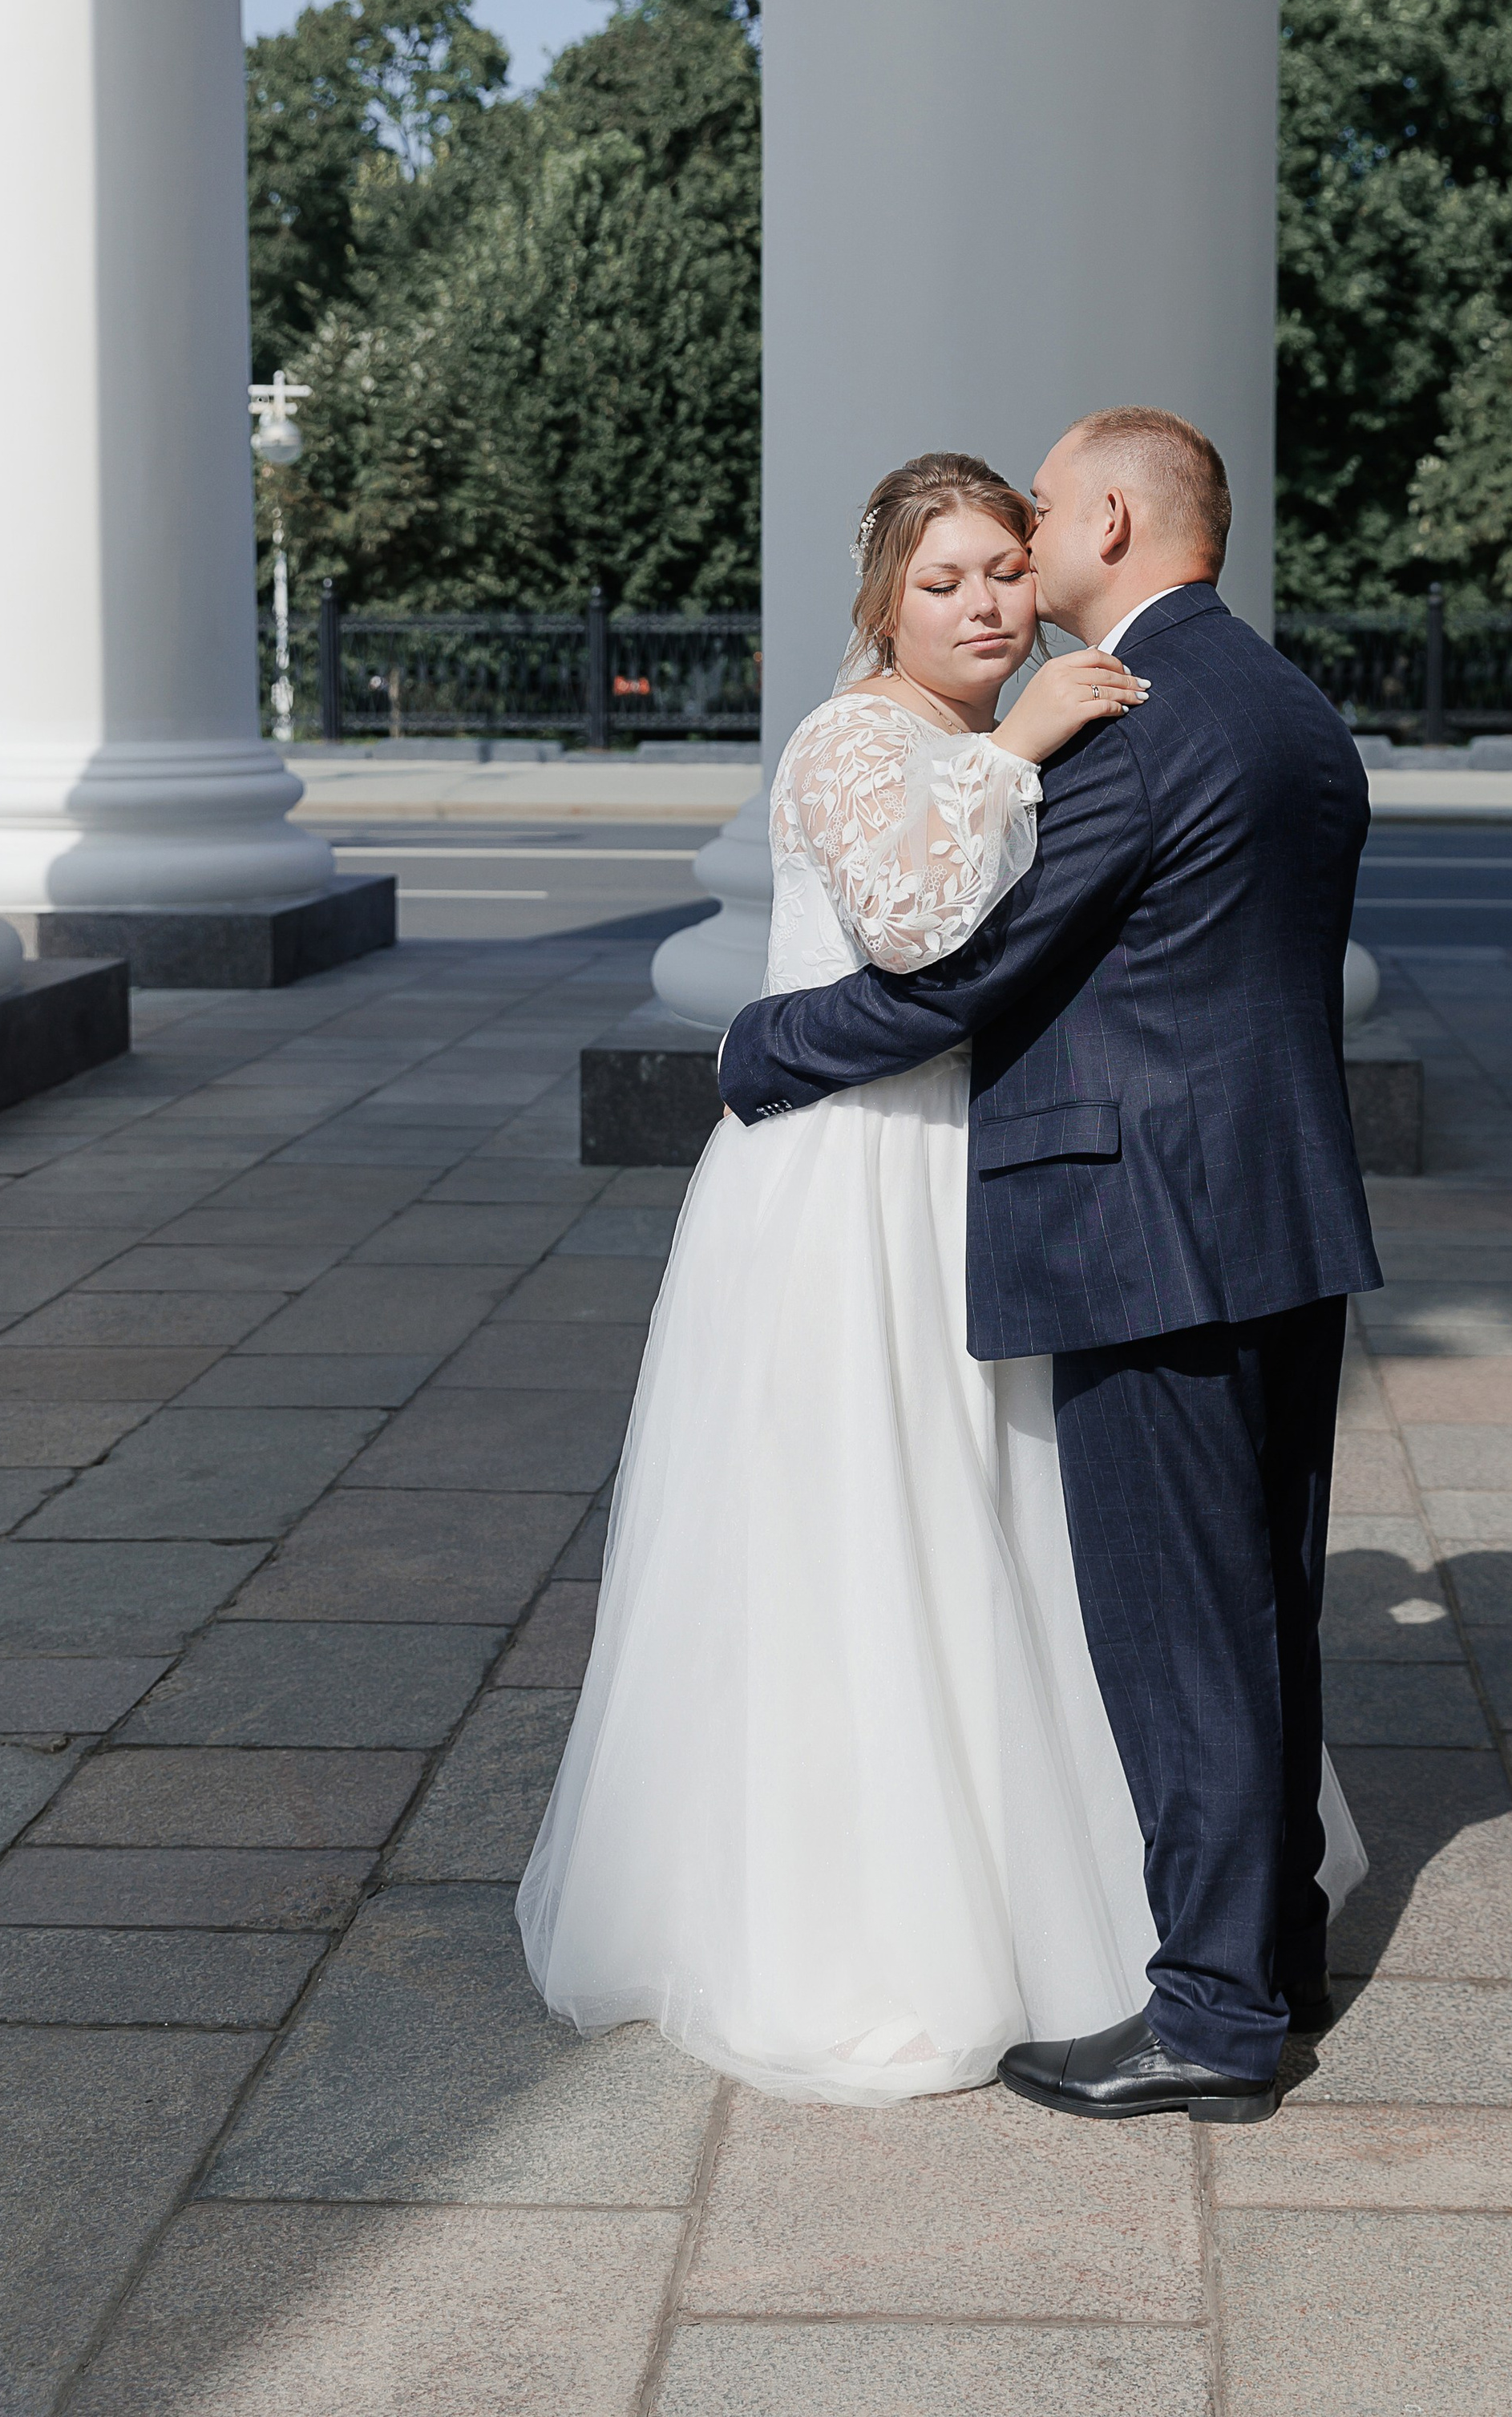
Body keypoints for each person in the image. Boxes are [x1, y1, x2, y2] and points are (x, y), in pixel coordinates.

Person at [519, 450, 1365, 2108]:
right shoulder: (1211, 706)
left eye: (1007, 555)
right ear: (878, 601)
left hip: (1053, 1199)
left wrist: (751, 1040)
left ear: (1090, 529)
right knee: (889, 1547)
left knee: (1066, 1569)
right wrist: (1015, 759)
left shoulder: (1085, 720)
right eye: (948, 579)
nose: (991, 595)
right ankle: (960, 1929)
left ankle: (1203, 1984)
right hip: (866, 1201)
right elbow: (926, 934)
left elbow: (953, 975)